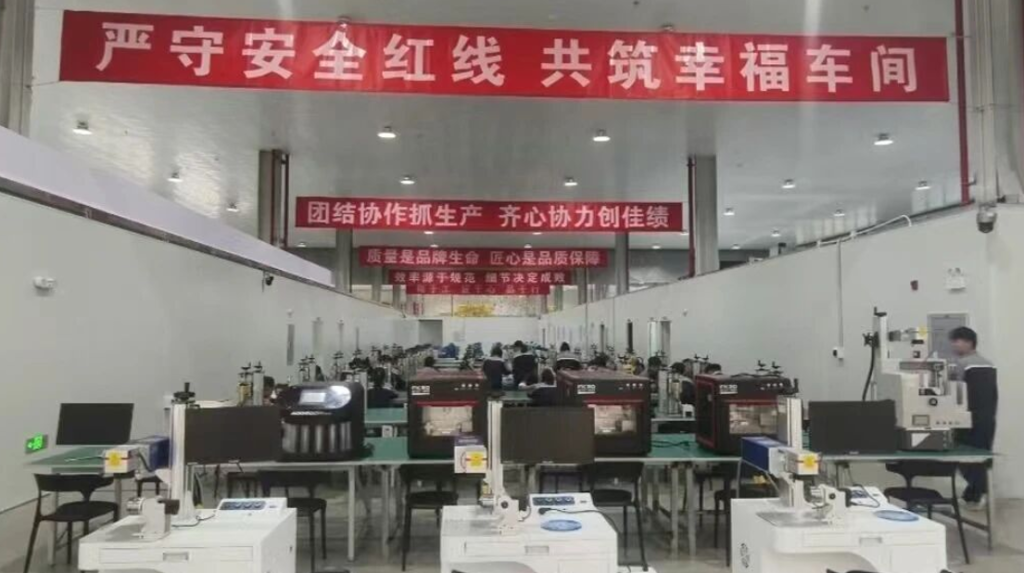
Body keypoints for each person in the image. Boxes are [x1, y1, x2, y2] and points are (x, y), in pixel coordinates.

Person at [949, 326, 998, 509]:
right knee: (980, 456)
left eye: (957, 341)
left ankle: (978, 495)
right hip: (987, 418)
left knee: (965, 458)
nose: (954, 345)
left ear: (969, 342)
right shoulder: (989, 364)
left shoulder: (963, 365)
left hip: (967, 419)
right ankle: (973, 495)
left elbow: (955, 392)